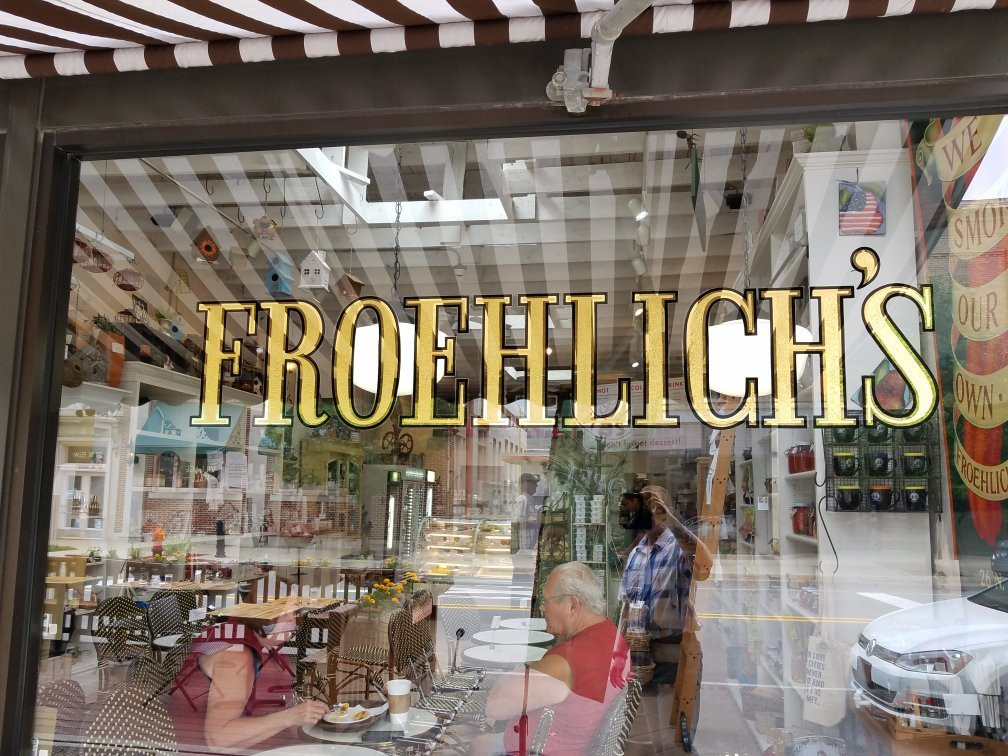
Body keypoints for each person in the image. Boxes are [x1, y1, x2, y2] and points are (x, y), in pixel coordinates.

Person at [474, 562, 630, 755]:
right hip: (572, 742)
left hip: (543, 749)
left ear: (572, 604)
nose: (542, 607)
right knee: (481, 742)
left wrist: (521, 669)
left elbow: (495, 707)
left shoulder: (569, 659)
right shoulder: (609, 633)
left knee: (477, 742)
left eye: (547, 600)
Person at [174, 617, 328, 751]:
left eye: (294, 612)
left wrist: (302, 720)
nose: (291, 620)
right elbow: (218, 740)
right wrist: (290, 717)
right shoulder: (236, 654)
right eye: (283, 612)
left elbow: (275, 709)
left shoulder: (267, 645)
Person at [512, 472, 544, 553]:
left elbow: (527, 519)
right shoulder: (523, 500)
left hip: (529, 546)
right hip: (524, 547)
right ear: (525, 484)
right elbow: (516, 523)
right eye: (533, 483)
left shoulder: (529, 499)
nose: (536, 486)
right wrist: (538, 524)